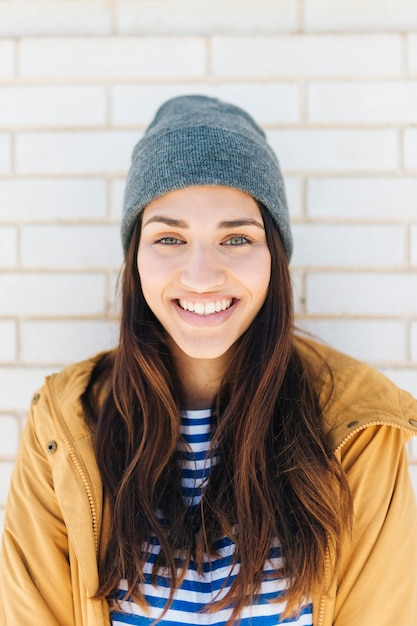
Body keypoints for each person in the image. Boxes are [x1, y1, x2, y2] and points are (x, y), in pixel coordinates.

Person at [1, 95, 417, 626]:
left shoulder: (358, 429)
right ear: (135, 259)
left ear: (275, 260)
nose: (201, 275)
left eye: (236, 238)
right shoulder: (62, 422)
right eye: (170, 237)